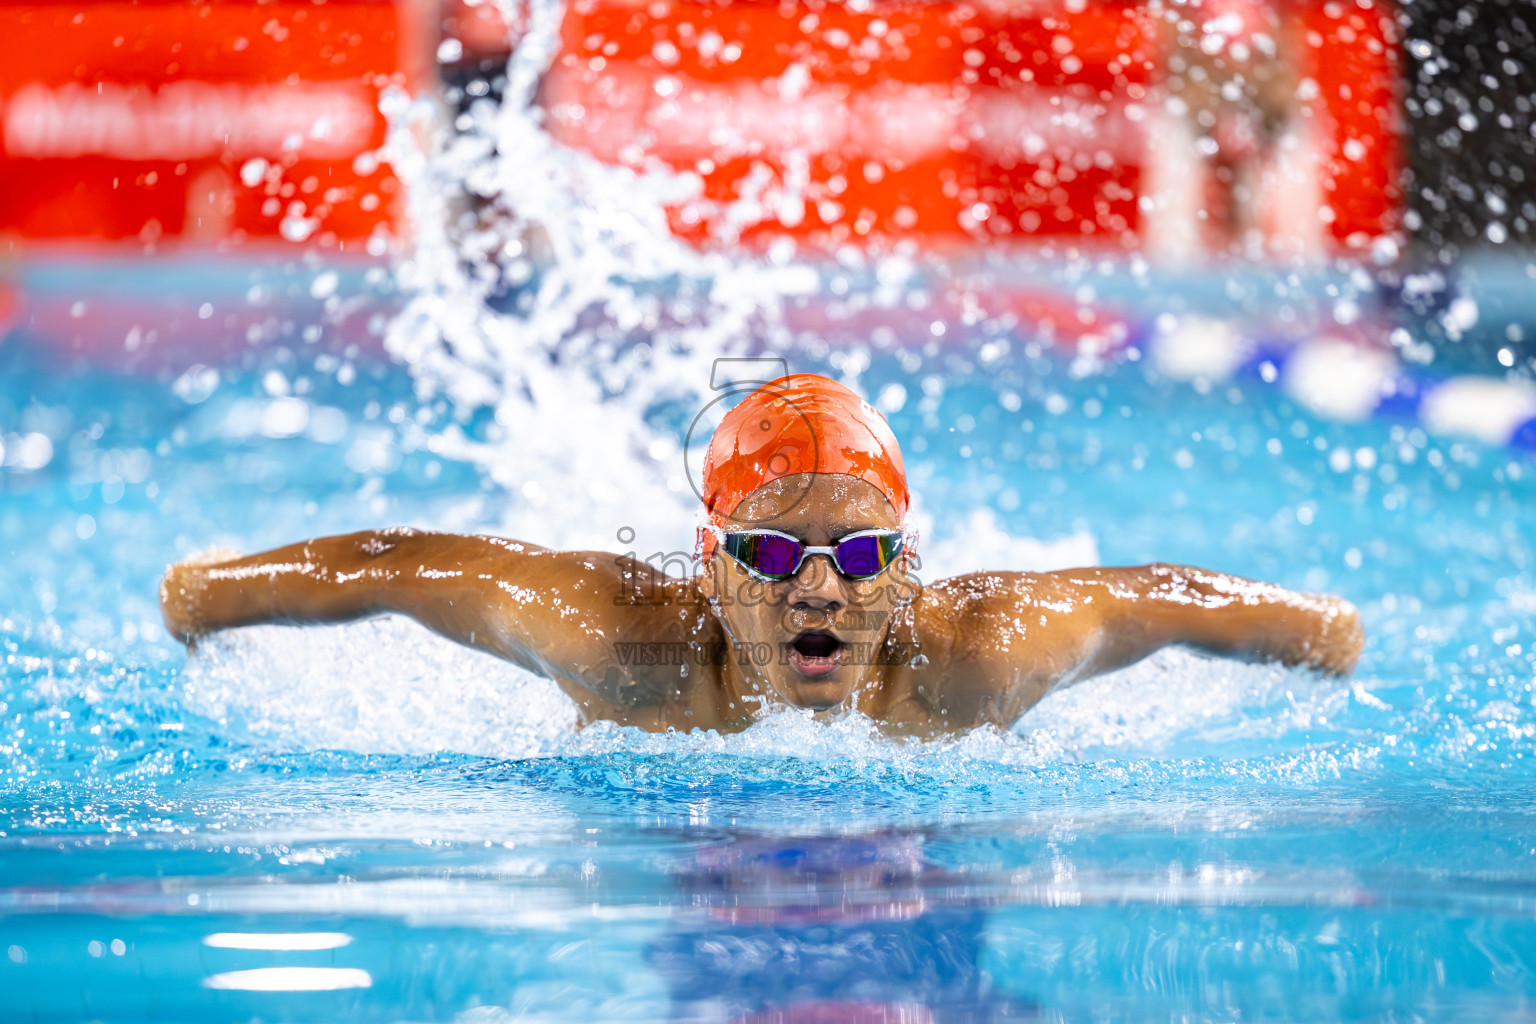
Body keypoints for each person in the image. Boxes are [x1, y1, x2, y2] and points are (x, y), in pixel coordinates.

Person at [159, 374, 1363, 736]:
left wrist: (1323, 635)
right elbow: (404, 563)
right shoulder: (622, 642)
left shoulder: (977, 658)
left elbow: (1156, 598)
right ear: (714, 562)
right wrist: (207, 594)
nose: (820, 585)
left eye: (858, 552)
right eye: (776, 551)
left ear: (905, 560)